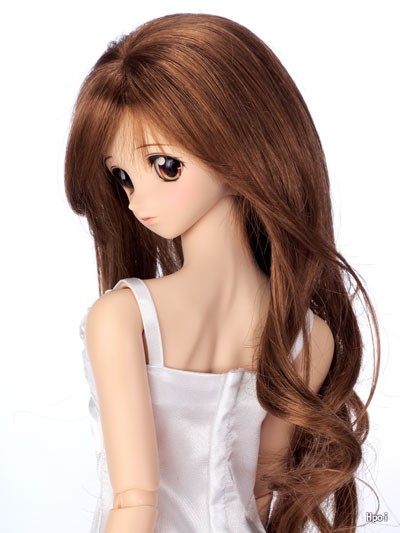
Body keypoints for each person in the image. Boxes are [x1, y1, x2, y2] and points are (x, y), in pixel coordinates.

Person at [65, 13, 380, 532]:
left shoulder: (122, 318)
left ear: (243, 150)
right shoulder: (308, 338)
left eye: (166, 166)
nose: (137, 200)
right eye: (122, 176)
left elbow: (135, 501)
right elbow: (259, 496)